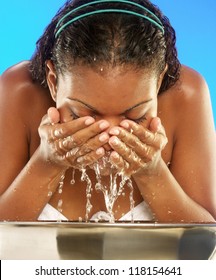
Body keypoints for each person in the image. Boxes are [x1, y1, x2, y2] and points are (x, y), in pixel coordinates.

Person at [0, 0, 215, 222]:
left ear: (158, 82)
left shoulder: (186, 95)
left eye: (135, 116)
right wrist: (47, 162)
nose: (109, 137)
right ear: (53, 82)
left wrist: (152, 172)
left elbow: (207, 244)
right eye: (82, 115)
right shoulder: (20, 91)